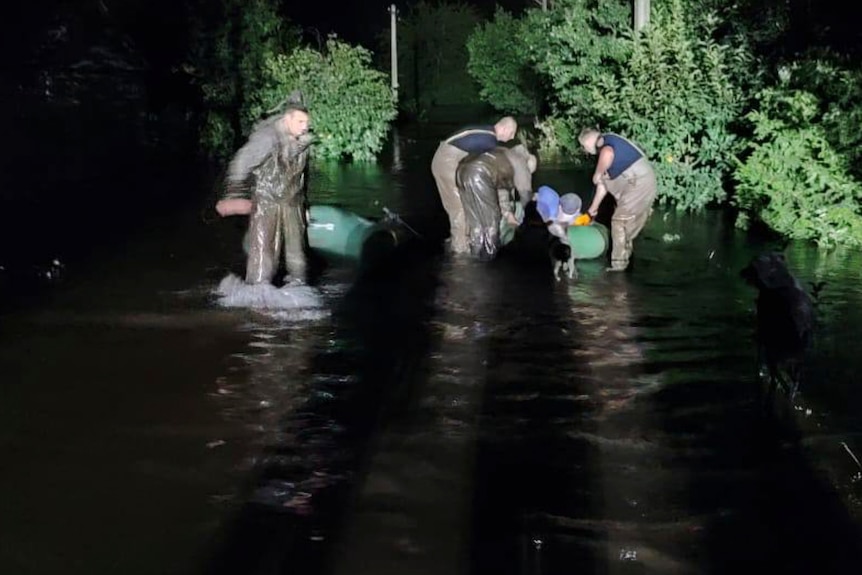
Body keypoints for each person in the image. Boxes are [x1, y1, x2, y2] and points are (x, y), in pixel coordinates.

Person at [215, 100, 314, 286]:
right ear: (287, 119)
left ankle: (299, 286)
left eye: (306, 123)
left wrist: (305, 206)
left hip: (293, 202)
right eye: (300, 122)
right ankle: (258, 291)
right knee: (263, 254)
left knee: (297, 257)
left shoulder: (304, 143)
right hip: (267, 201)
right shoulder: (267, 138)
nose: (305, 127)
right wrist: (234, 195)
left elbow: (303, 178)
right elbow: (241, 163)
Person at [431, 116, 518, 254]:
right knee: (459, 208)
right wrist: (506, 211)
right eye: (512, 132)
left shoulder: (486, 132)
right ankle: (460, 252)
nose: (512, 137)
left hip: (448, 158)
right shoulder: (489, 142)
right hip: (446, 162)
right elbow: (498, 179)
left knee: (463, 205)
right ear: (504, 128)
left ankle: (458, 238)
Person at [578, 128, 656, 271]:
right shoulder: (608, 142)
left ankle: (618, 268)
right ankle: (627, 261)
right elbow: (603, 186)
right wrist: (591, 212)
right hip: (640, 182)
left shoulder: (603, 144)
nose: (585, 150)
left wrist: (598, 172)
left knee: (619, 222)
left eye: (584, 147)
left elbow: (608, 153)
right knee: (626, 228)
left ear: (587, 141)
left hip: (639, 182)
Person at [455, 145, 536, 261]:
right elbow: (526, 195)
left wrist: (508, 214)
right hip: (479, 173)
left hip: (461, 171)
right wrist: (523, 217)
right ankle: (489, 259)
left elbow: (500, 190)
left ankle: (475, 257)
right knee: (491, 221)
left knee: (475, 222)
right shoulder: (520, 161)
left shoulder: (503, 156)